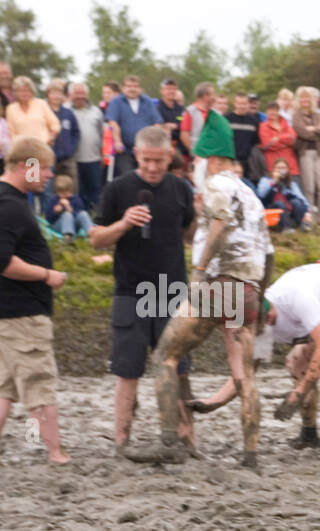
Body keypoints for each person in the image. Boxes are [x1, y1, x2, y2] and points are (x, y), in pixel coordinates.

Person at [123, 115, 271, 467]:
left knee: (164, 357)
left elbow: (219, 224)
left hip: (220, 285)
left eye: (198, 161)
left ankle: (168, 441)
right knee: (244, 374)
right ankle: (251, 455)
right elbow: (268, 251)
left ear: (208, 159)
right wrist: (260, 298)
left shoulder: (217, 184)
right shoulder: (251, 195)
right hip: (247, 289)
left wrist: (200, 271)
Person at [190, 263, 320, 449]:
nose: (270, 321)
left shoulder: (295, 297)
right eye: (262, 324)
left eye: (268, 316)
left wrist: (297, 394)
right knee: (295, 362)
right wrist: (214, 402)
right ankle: (309, 434)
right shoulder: (256, 327)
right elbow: (246, 371)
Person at [89, 126, 198, 453]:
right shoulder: (117, 189)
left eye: (159, 161)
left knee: (178, 370)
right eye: (147, 160)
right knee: (128, 372)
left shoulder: (181, 189)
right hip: (130, 292)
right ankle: (122, 442)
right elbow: (95, 238)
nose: (152, 167)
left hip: (172, 292)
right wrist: (123, 224)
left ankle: (187, 440)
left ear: (169, 157)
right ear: (136, 155)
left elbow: (191, 235)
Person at [0, 137, 70, 464]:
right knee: (39, 382)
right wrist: (47, 275)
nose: (49, 174)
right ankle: (55, 453)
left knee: (3, 383)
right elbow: (4, 263)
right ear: (26, 166)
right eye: (44, 167)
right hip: (20, 311)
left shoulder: (0, 196)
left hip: (3, 308)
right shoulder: (7, 204)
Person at [105, 76, 163, 176]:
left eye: (135, 86)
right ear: (123, 88)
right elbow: (113, 123)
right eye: (129, 86)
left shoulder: (148, 102)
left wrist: (157, 142)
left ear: (140, 89)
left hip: (146, 148)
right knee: (128, 175)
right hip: (125, 149)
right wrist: (118, 141)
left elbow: (157, 123)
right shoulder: (116, 102)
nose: (132, 89)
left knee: (147, 174)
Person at [291, 87, 320, 223]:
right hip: (305, 153)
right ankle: (309, 218)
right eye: (302, 97)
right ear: (298, 99)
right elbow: (302, 132)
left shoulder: (317, 114)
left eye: (307, 97)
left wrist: (313, 129)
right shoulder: (296, 115)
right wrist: (317, 131)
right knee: (309, 188)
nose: (305, 100)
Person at [67, 83, 103, 213]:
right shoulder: (66, 110)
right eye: (77, 93)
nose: (80, 96)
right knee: (78, 190)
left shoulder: (96, 111)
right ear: (71, 94)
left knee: (95, 188)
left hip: (94, 158)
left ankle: (97, 216)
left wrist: (103, 154)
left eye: (82, 93)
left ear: (86, 94)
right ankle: (82, 215)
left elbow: (102, 134)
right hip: (73, 159)